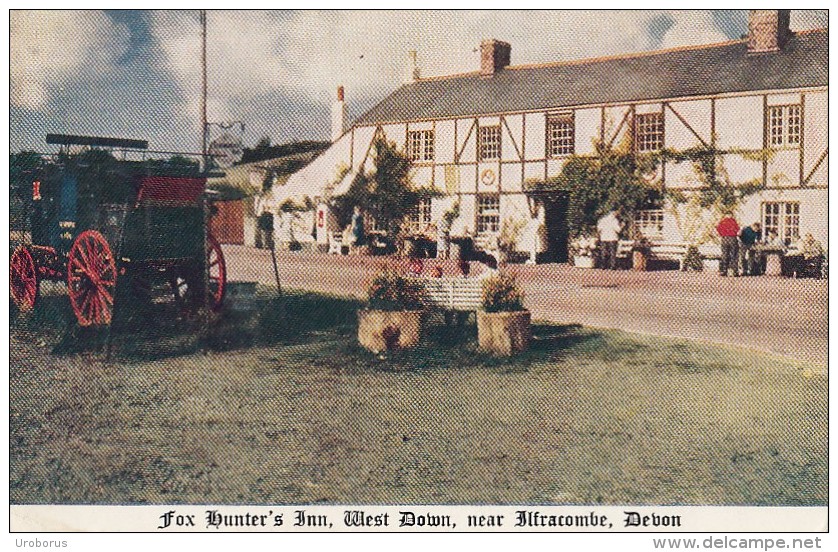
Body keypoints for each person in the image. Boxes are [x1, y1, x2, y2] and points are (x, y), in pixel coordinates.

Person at [716, 212, 740, 276]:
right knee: (734, 255)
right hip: (732, 238)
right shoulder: (733, 221)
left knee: (725, 255)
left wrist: (722, 234)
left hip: (724, 238)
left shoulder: (722, 222)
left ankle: (724, 271)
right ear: (731, 215)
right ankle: (735, 271)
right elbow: (737, 229)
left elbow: (718, 229)